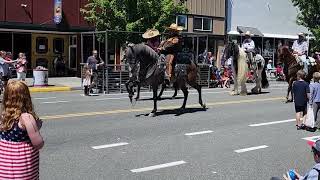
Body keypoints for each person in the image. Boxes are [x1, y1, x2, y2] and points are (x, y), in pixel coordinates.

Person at [0, 80, 44, 179]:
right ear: (26, 97)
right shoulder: (26, 118)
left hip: (4, 168)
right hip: (22, 168)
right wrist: (36, 128)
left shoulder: (4, 116)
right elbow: (38, 143)